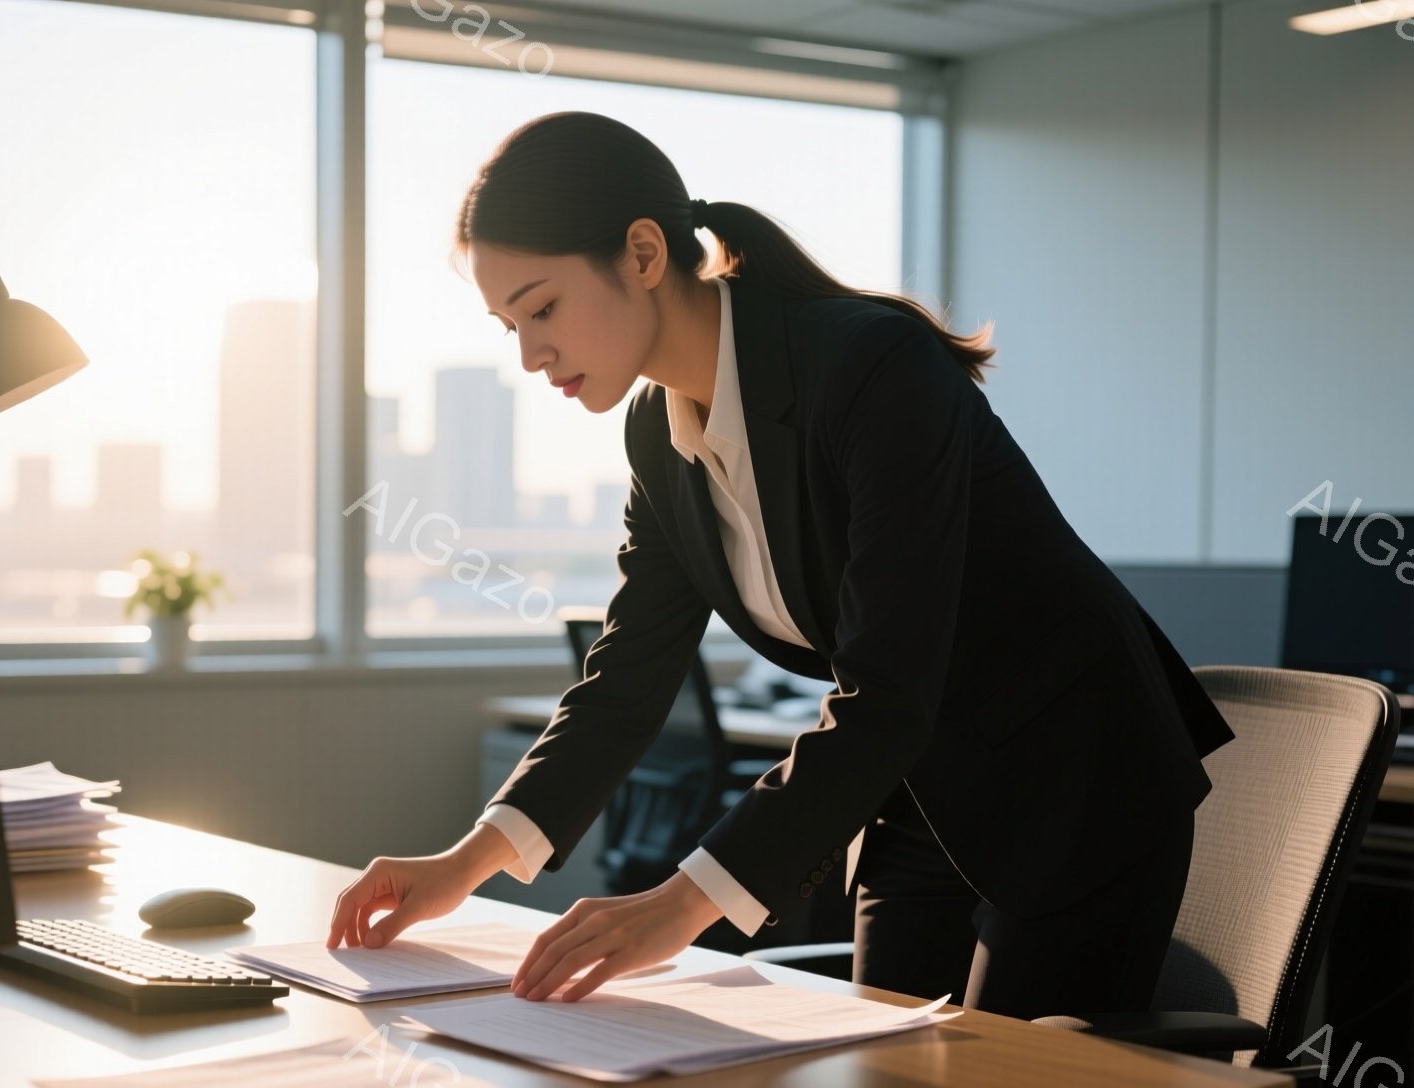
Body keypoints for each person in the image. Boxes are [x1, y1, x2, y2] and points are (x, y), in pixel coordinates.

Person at [326, 111, 1233, 1019]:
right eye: (507, 323)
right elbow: (624, 686)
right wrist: (466, 860)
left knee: (1005, 1078)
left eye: (543, 307)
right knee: (881, 1064)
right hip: (914, 798)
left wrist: (679, 907)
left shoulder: (870, 366)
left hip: (1075, 778)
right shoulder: (660, 431)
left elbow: (888, 690)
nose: (529, 355)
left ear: (644, 255)